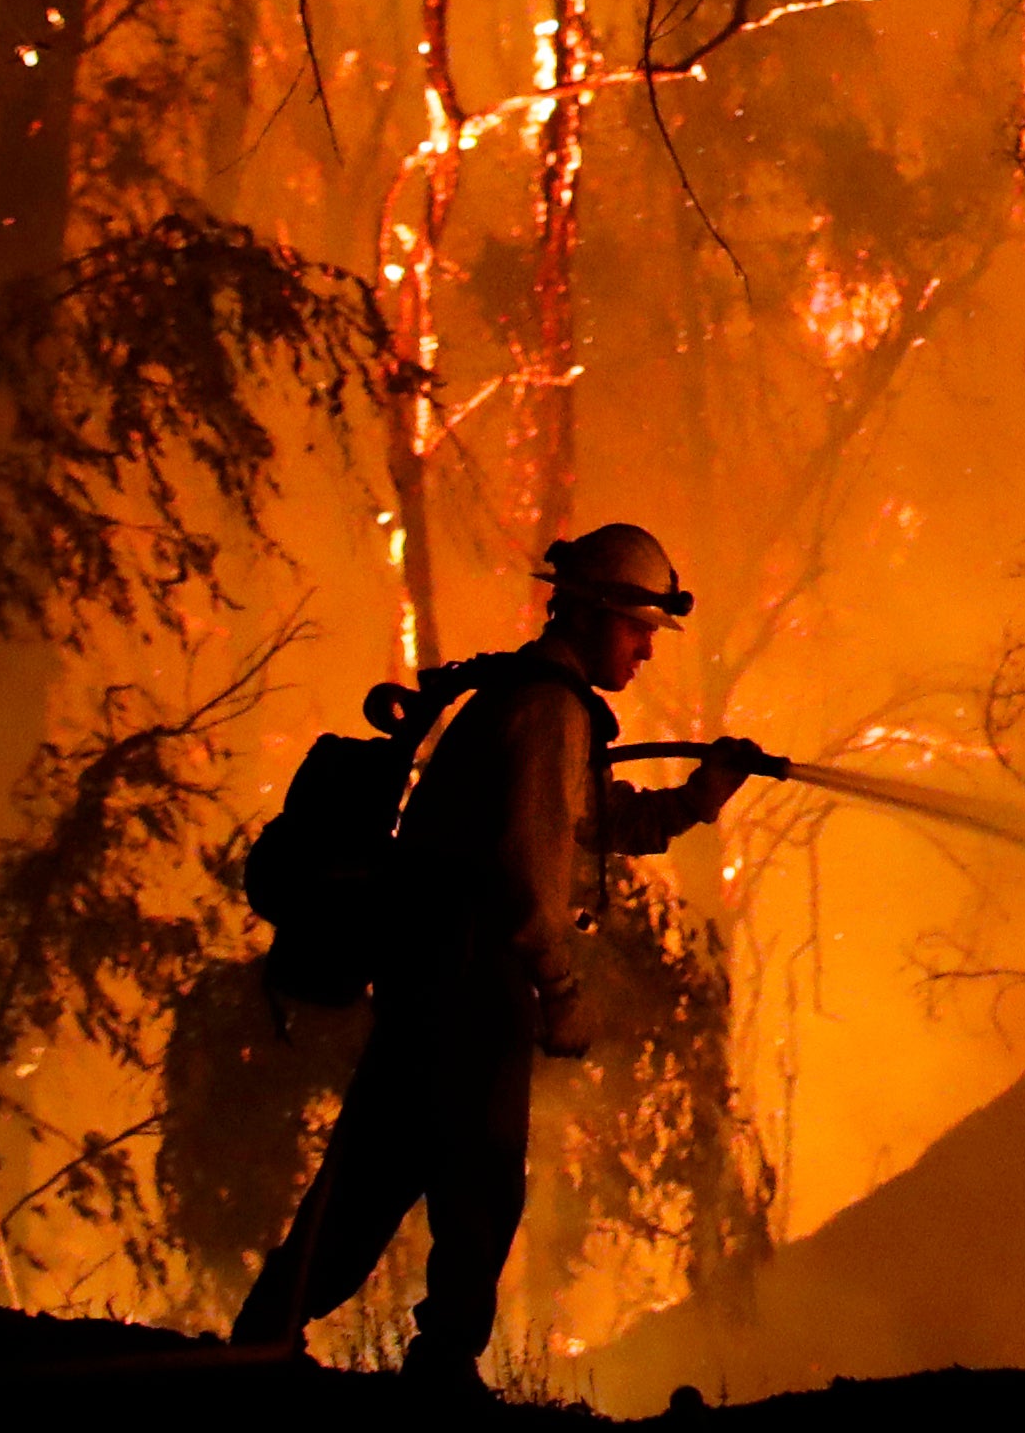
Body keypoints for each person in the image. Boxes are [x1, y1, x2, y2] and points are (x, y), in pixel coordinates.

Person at [232, 523, 763, 1390]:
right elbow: (527, 872)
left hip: (430, 969)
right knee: (479, 1176)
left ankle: (261, 1337)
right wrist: (559, 990)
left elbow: (588, 823)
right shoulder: (546, 711)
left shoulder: (533, 705)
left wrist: (698, 799)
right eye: (639, 632)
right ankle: (440, 1365)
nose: (645, 653)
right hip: (471, 977)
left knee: (377, 1169)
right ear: (596, 613)